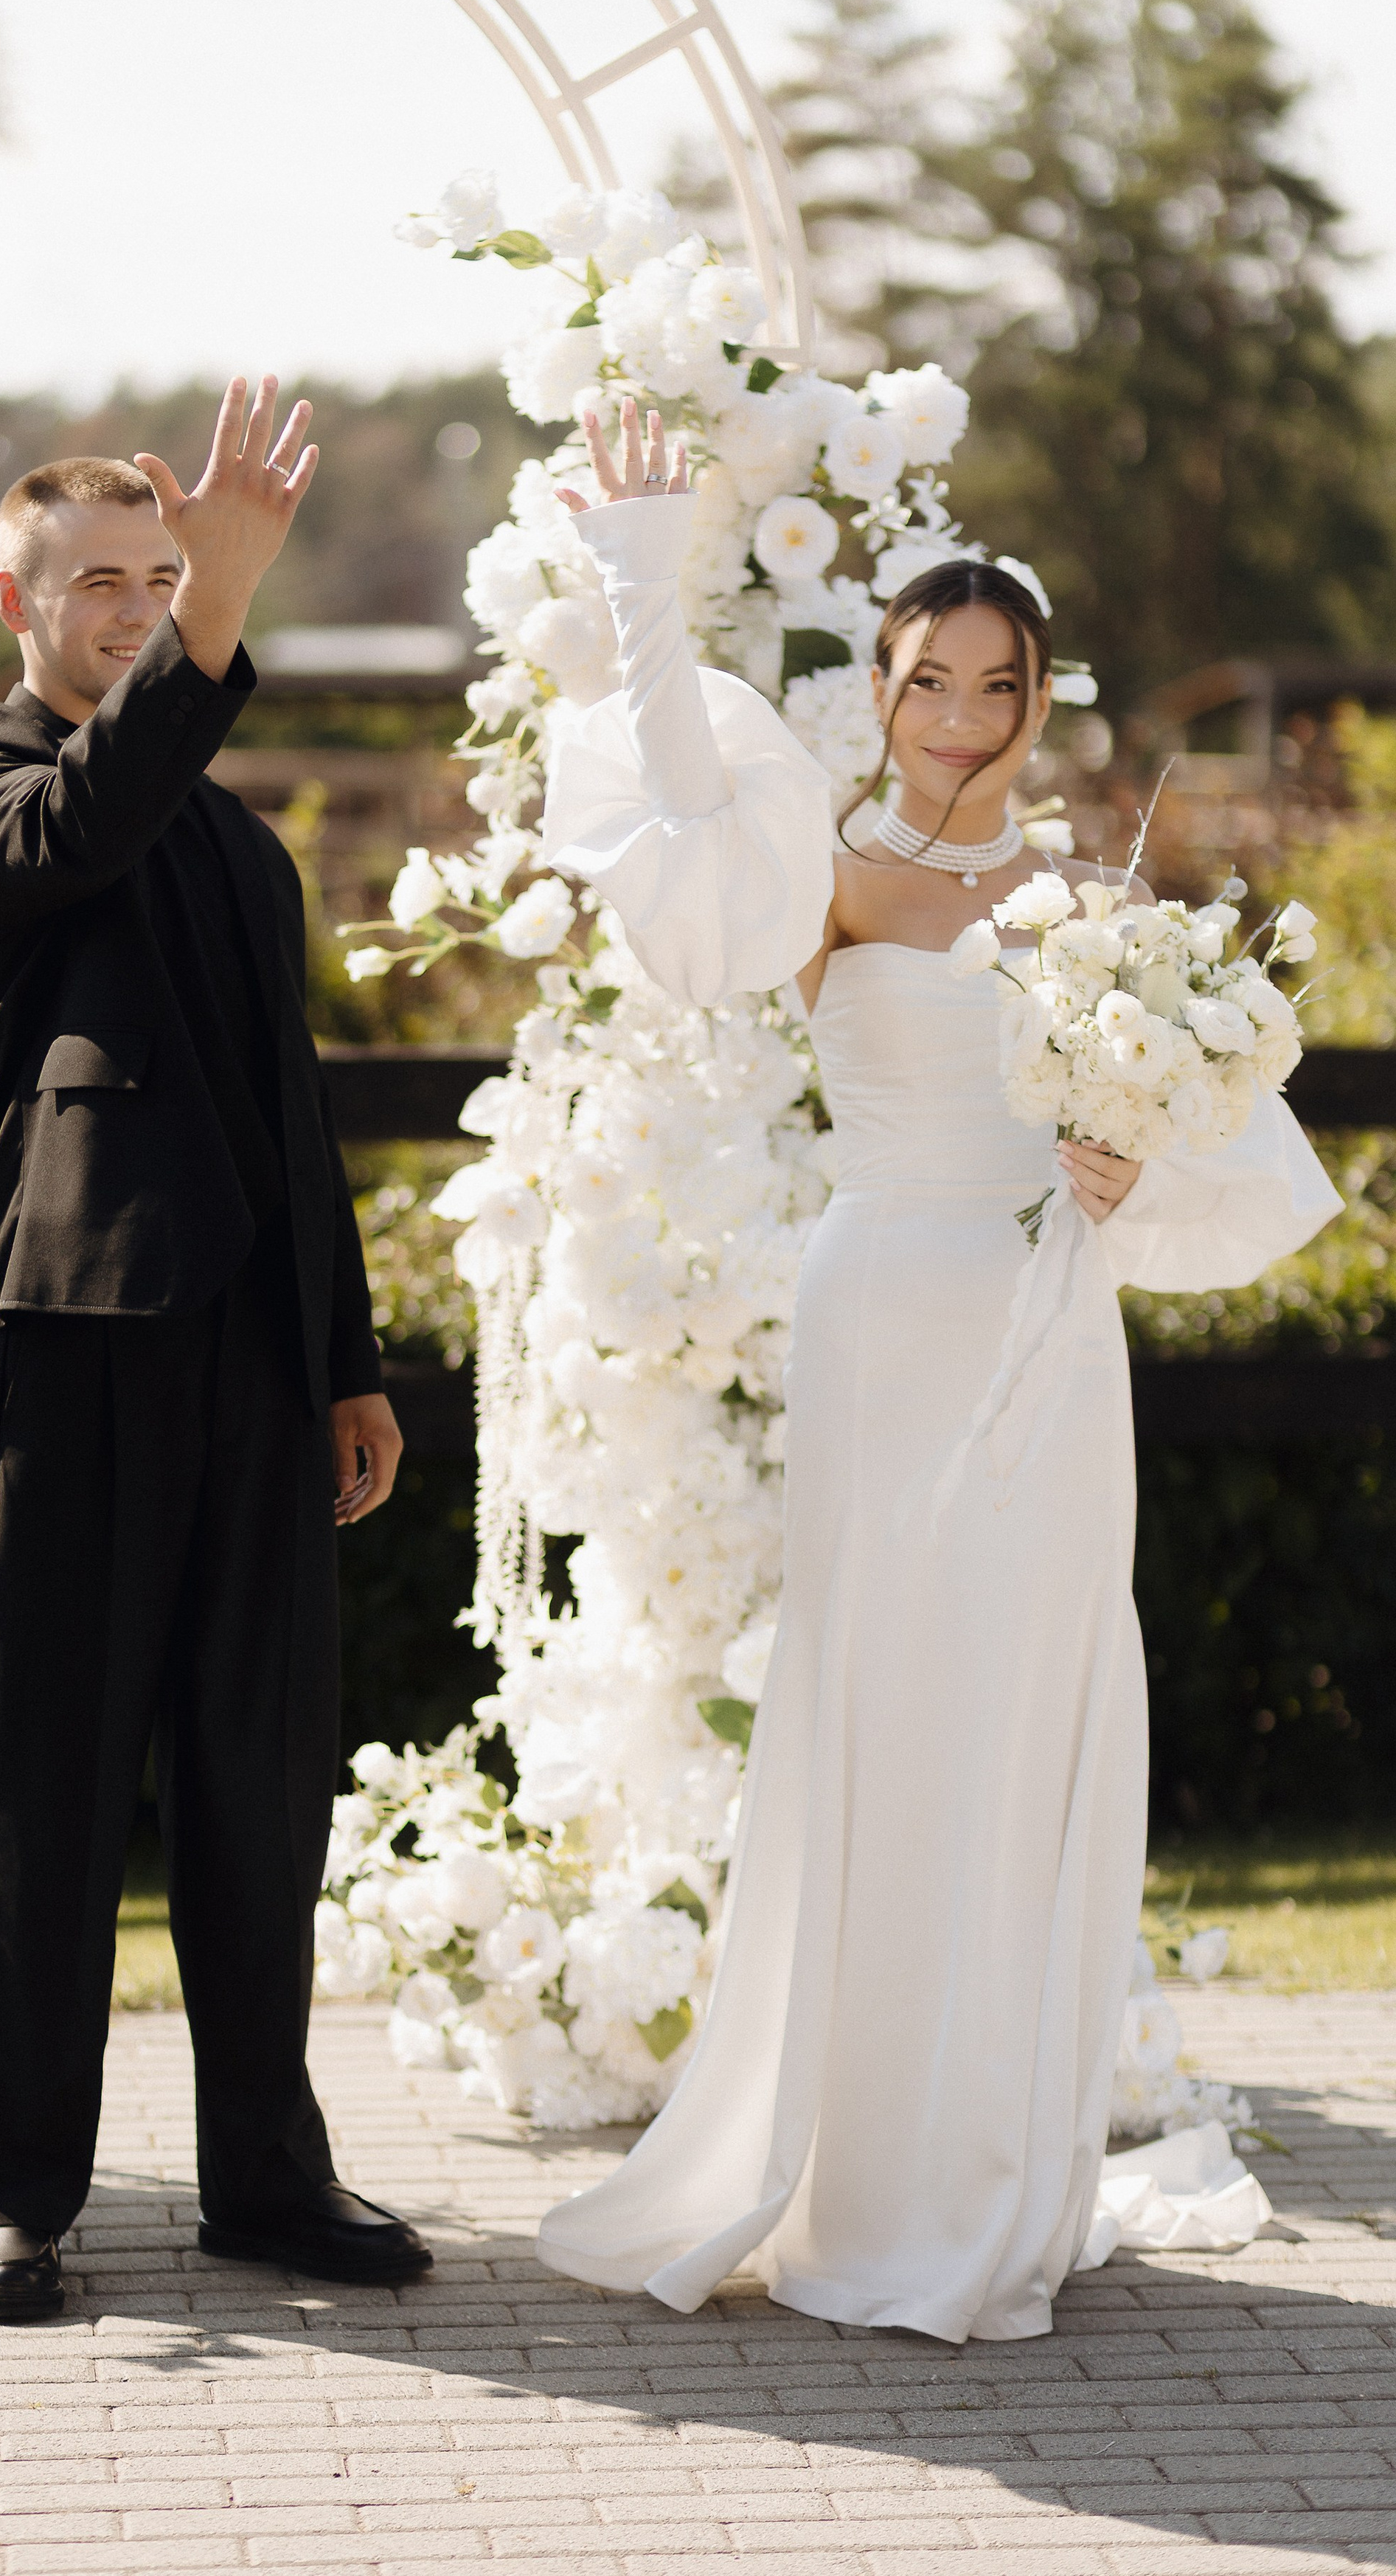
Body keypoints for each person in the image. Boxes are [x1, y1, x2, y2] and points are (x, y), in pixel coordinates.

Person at [531, 401, 1338, 2343]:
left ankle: (999, 2171)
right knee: (882, 1714)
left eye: (998, 685)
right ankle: (865, 2176)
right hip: (885, 1313)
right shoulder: (817, 868)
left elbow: (1207, 1125)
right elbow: (674, 787)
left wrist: (1132, 1171)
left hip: (1050, 1331)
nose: (961, 717)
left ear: (1040, 697)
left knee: (1027, 1720)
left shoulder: (1100, 904)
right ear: (879, 690)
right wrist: (643, 583)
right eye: (927, 681)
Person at [0, 378, 431, 2324]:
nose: (138, 607)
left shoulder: (241, 846)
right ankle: (14, 2200)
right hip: (71, 1357)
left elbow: (292, 1118)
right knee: (41, 1787)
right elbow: (86, 813)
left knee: (258, 1785)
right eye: (104, 582)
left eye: (163, 577)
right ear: (17, 598)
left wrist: (347, 1359)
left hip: (257, 1369)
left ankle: (268, 2183)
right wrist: (222, 612)